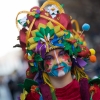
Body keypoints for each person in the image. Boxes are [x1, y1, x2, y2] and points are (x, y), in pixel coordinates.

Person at [15, 0, 100, 100]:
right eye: (49, 57)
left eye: (62, 53)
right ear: (41, 64)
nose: (58, 61)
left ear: (70, 54)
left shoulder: (95, 93)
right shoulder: (33, 97)